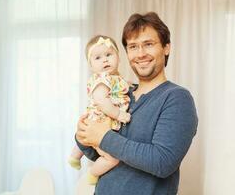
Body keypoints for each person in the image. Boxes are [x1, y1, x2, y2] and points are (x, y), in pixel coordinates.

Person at [75, 12, 198, 195]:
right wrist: (83, 135)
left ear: (166, 48)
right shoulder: (120, 93)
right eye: (133, 46)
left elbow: (162, 162)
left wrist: (103, 137)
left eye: (148, 44)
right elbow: (96, 154)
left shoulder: (177, 98)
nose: (140, 54)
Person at [68, 35, 131, 184]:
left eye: (109, 55)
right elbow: (102, 101)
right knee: (112, 158)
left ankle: (74, 156)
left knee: (84, 137)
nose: (105, 60)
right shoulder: (102, 80)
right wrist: (119, 114)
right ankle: (92, 174)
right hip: (101, 122)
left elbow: (117, 90)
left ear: (118, 57)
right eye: (98, 58)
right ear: (90, 65)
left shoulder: (114, 78)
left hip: (97, 121)